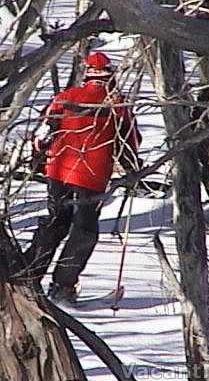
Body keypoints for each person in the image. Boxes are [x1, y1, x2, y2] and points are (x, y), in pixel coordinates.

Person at [26, 52, 141, 303]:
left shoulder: (64, 98)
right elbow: (129, 144)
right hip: (92, 176)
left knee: (56, 222)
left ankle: (28, 275)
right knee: (84, 229)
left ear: (86, 74)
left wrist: (41, 160)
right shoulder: (117, 105)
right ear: (110, 76)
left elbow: (40, 137)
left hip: (59, 171)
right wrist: (133, 170)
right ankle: (62, 286)